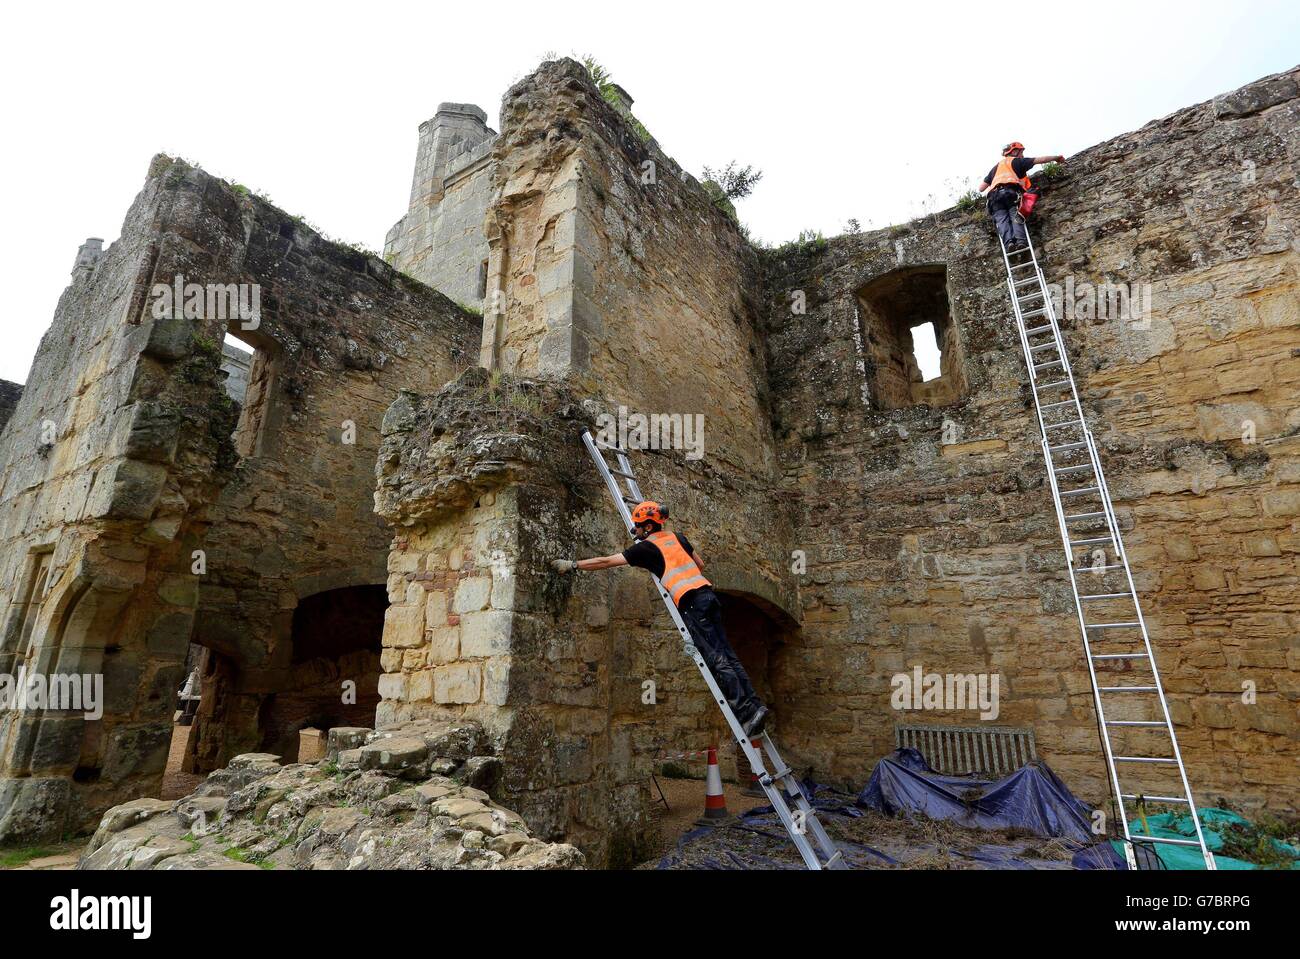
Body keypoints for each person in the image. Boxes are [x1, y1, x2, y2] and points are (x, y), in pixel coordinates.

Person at [551, 500, 770, 736]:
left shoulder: (645, 549)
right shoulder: (678, 537)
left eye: (638, 526)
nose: (636, 530)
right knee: (727, 654)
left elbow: (606, 561)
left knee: (715, 658)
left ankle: (746, 712)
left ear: (646, 526)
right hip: (708, 596)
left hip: (691, 603)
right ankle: (756, 706)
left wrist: (573, 565)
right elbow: (700, 564)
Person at [978, 142, 1065, 251]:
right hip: (1010, 193)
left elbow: (981, 188)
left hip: (994, 197)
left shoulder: (996, 167)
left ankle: (1009, 243)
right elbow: (1040, 160)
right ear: (1014, 152)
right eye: (1021, 152)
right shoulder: (1018, 161)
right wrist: (1057, 158)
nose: (1022, 155)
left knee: (1001, 221)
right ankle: (1020, 242)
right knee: (1016, 216)